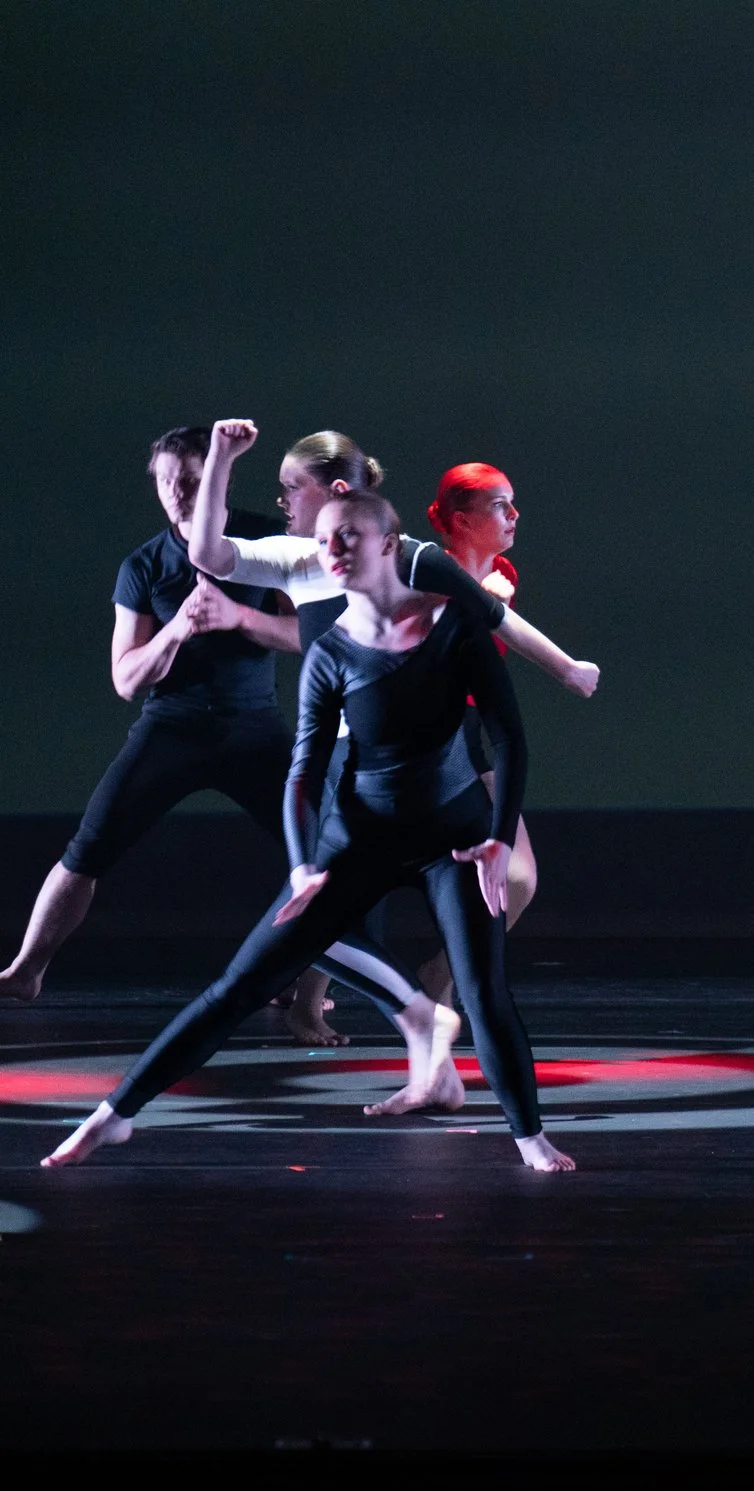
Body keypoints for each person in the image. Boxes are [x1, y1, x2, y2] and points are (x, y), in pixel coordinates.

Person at [43, 489, 570, 1172]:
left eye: (349, 537)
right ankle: (115, 1114)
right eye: (324, 540)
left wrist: (499, 838)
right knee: (238, 985)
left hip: (455, 839)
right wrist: (302, 864)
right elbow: (303, 770)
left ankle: (531, 1137)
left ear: (391, 546)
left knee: (482, 989)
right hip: (355, 842)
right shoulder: (331, 653)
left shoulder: (454, 627)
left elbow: (510, 738)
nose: (333, 551)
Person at [0, 428, 458, 1106]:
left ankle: (312, 1002)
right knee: (88, 846)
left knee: (333, 879)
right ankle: (24, 971)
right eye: (169, 482)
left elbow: (316, 638)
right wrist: (183, 626)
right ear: (155, 488)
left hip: (256, 727)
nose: (180, 492)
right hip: (173, 726)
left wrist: (240, 620)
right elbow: (127, 679)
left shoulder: (278, 545)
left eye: (193, 478)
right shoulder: (144, 566)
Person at [183, 421, 595, 1105]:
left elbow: (489, 615)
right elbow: (208, 552)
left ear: (338, 493)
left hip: (427, 752)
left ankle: (424, 1012)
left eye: (293, 488)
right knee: (311, 913)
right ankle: (412, 1016)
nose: (284, 502)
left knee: (469, 885)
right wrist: (222, 457)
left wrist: (564, 667)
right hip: (352, 758)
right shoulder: (294, 560)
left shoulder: (403, 557)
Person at [413, 464, 541, 999]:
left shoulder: (503, 574)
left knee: (517, 877)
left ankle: (437, 979)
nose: (513, 515)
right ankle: (306, 996)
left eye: (511, 503)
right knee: (356, 880)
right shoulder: (424, 572)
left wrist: (569, 669)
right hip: (411, 736)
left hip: (465, 737)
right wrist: (476, 604)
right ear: (461, 521)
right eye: (499, 506)